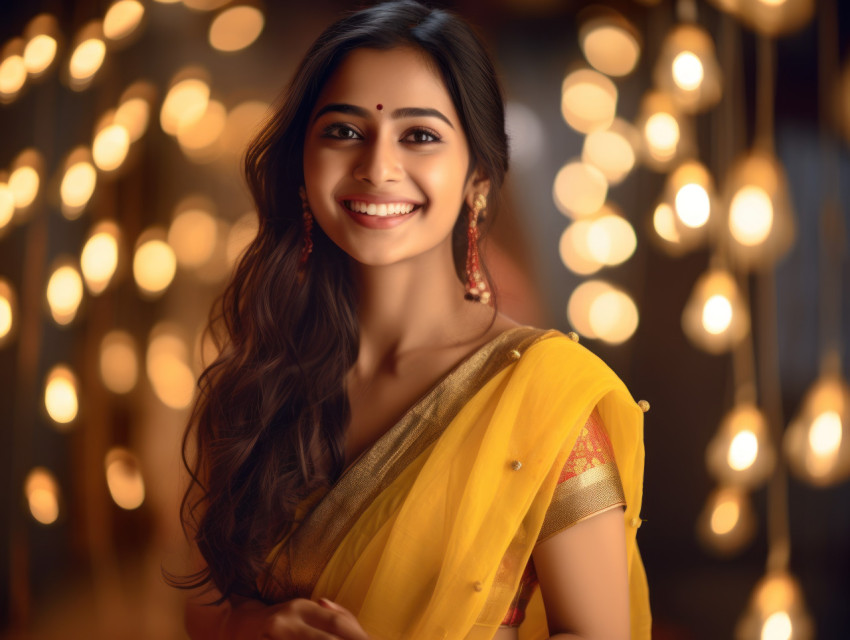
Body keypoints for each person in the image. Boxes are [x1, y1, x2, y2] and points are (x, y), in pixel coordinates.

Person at [175, 1, 650, 638]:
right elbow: (199, 609)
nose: (377, 167)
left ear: (478, 175)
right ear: (301, 166)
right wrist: (254, 627)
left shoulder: (543, 397)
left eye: (419, 135)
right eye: (343, 131)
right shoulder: (262, 376)